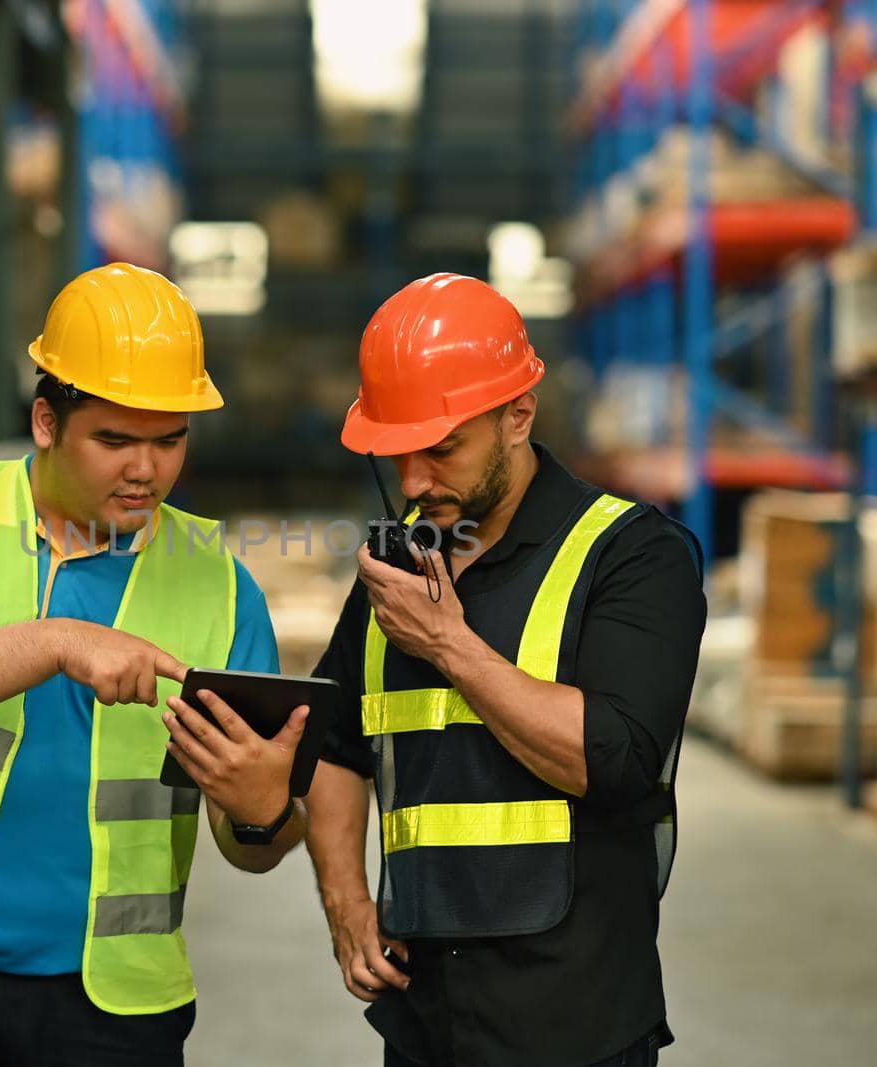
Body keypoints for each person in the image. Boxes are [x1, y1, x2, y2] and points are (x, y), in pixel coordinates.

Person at [0, 262, 307, 1066]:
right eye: (114, 440)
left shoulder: (222, 587)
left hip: (111, 1007)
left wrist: (261, 813)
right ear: (46, 420)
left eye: (169, 440)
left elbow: (251, 840)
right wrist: (56, 640)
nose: (145, 470)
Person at [304, 273, 706, 1067]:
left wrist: (450, 645)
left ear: (518, 414)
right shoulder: (401, 566)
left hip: (574, 1026)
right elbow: (333, 745)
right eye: (397, 455)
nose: (414, 484)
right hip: (423, 1025)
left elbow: (615, 760)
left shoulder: (632, 556)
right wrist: (346, 900)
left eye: (441, 448)